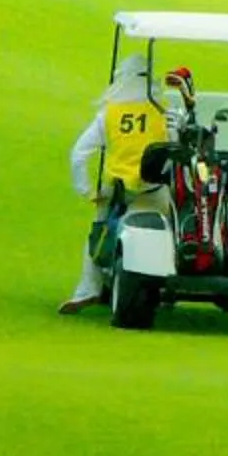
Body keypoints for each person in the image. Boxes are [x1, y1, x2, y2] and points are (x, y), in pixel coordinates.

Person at [61, 52, 164, 313]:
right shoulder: (163, 111)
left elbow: (79, 154)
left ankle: (87, 290)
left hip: (116, 190)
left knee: (99, 231)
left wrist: (86, 190)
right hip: (154, 190)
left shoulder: (110, 113)